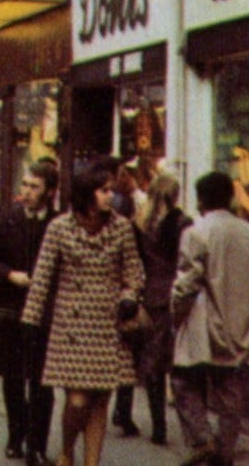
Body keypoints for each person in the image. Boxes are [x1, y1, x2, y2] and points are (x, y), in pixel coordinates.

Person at [21, 163, 145, 466]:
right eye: (104, 191)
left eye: (112, 190)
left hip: (108, 325)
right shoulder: (59, 227)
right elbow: (42, 278)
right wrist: (30, 322)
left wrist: (129, 297)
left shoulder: (122, 227)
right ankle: (66, 450)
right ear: (87, 193)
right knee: (77, 401)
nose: (110, 196)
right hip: (71, 327)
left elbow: (134, 273)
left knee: (101, 400)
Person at [170, 171, 249, 466]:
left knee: (183, 381)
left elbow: (187, 283)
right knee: (230, 390)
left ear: (201, 199)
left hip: (204, 323)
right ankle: (225, 452)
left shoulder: (196, 232)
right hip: (241, 323)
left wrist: (177, 315)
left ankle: (203, 440)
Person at [0, 160, 60, 466]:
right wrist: (9, 274)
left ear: (50, 192)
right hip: (12, 308)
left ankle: (37, 447)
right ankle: (16, 437)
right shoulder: (7, 220)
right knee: (13, 378)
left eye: (34, 187)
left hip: (45, 313)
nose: (26, 192)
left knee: (42, 382)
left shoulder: (57, 223)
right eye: (25, 185)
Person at [133, 171, 192, 446]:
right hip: (177, 293)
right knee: (180, 361)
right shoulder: (181, 222)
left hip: (152, 294)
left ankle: (159, 425)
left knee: (154, 363)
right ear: (174, 195)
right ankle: (189, 425)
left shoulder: (142, 224)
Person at [110, 157, 148, 438]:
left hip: (125, 293)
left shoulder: (128, 216)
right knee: (126, 356)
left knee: (126, 355)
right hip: (124, 296)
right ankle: (121, 411)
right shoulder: (128, 221)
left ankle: (121, 411)